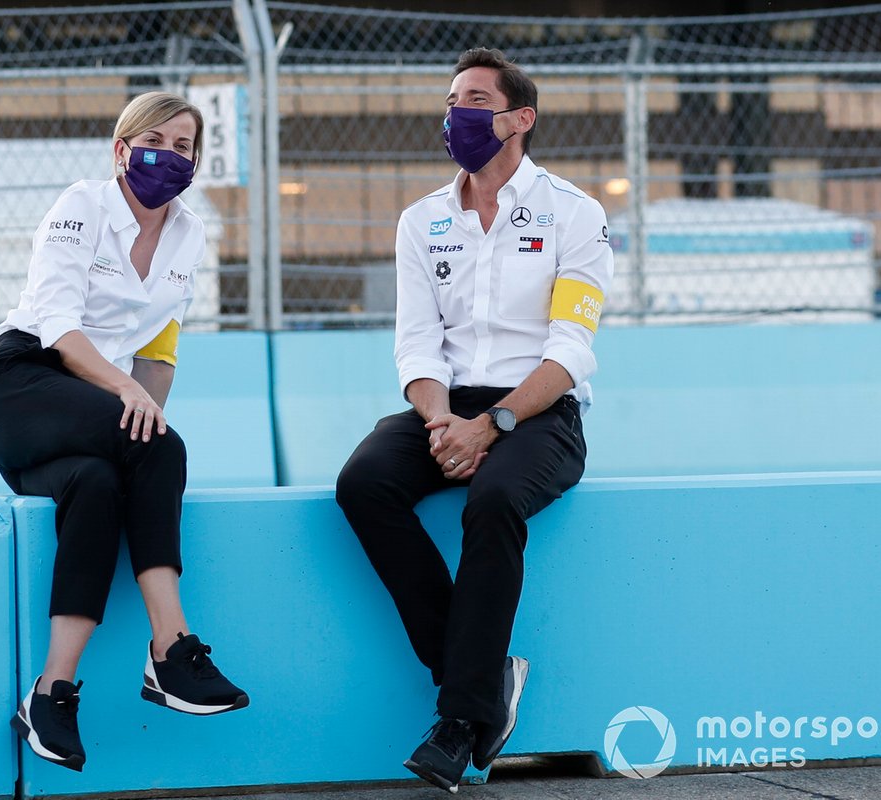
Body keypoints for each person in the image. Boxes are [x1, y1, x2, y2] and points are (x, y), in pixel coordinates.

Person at [336, 48, 612, 793]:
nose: (457, 113)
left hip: (539, 410)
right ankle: (487, 678)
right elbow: (416, 345)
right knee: (362, 483)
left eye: (476, 100)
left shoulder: (575, 213)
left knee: (492, 502)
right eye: (452, 99)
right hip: (444, 406)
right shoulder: (421, 220)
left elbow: (570, 352)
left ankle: (461, 721)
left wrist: (491, 425)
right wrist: (438, 423)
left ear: (520, 119)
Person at [0, 91, 248, 773]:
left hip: (86, 417)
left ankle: (51, 694)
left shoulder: (188, 231)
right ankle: (171, 649)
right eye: (159, 140)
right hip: (20, 386)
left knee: (99, 485)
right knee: (160, 443)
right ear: (123, 149)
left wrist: (141, 435)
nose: (173, 155)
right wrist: (131, 405)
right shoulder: (81, 205)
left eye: (187, 146)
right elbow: (60, 330)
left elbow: (157, 350)